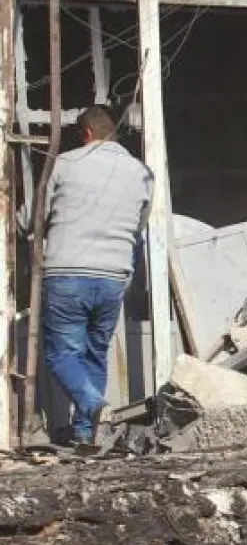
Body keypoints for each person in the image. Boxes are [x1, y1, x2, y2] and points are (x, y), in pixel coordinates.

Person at [41, 105, 152, 445]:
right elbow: (139, 225)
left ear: (86, 133)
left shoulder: (65, 163)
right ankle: (86, 436)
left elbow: (36, 217)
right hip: (113, 277)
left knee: (62, 354)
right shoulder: (142, 172)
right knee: (95, 353)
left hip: (67, 272)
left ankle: (93, 405)